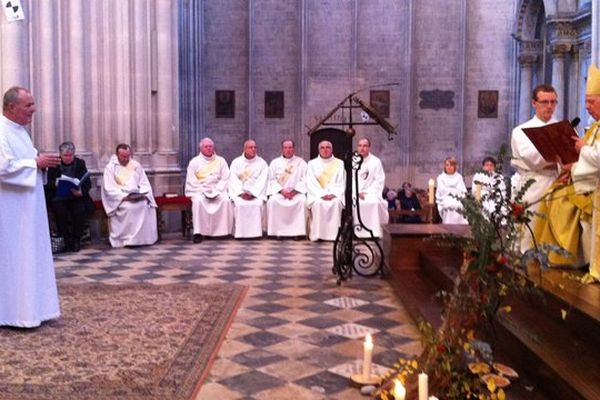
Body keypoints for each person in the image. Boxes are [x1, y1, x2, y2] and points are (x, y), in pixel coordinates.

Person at [0, 86, 61, 328]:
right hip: (10, 211)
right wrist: (35, 162)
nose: (34, 110)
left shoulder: (21, 132)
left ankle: (35, 309)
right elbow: (3, 168)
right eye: (28, 105)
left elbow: (25, 163)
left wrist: (41, 163)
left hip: (27, 209)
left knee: (29, 255)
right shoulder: (1, 131)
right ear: (11, 107)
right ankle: (13, 314)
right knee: (13, 258)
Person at [537, 64, 600, 277]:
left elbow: (596, 158)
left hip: (591, 185)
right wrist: (571, 167)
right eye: (586, 102)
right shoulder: (595, 127)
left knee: (562, 203)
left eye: (591, 102)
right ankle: (557, 256)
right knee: (552, 196)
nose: (588, 107)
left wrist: (580, 153)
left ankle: (575, 259)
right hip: (583, 179)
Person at [511, 84, 559, 252]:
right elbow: (532, 159)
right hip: (533, 185)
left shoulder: (563, 128)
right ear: (534, 103)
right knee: (529, 235)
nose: (549, 106)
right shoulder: (522, 131)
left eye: (553, 102)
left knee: (554, 235)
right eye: (544, 102)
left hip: (558, 183)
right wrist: (558, 156)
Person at [101, 143, 158, 247]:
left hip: (137, 197)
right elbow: (109, 188)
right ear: (117, 155)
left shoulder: (135, 165)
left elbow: (144, 183)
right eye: (123, 156)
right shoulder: (110, 168)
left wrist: (142, 194)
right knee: (129, 208)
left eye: (128, 156)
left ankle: (142, 239)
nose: (126, 159)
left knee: (144, 205)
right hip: (121, 200)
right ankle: (126, 240)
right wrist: (124, 197)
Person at [45, 141, 94, 252]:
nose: (68, 158)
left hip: (75, 196)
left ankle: (76, 240)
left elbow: (87, 182)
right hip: (59, 196)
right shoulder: (54, 164)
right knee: (60, 212)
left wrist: (81, 191)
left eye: (70, 155)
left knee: (79, 211)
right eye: (65, 156)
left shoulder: (80, 163)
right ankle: (66, 240)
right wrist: (56, 183)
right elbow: (47, 183)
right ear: (60, 155)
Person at [185, 138, 233, 242]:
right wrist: (203, 190)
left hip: (217, 190)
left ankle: (221, 232)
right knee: (198, 202)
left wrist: (217, 190)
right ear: (201, 148)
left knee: (226, 201)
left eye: (210, 146)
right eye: (206, 146)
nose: (208, 148)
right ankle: (198, 232)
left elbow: (225, 178)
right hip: (200, 190)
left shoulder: (221, 161)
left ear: (213, 147)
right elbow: (192, 180)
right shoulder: (194, 162)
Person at [266, 139, 308, 238]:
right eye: (285, 148)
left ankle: (297, 233)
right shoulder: (275, 163)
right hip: (280, 193)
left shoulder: (301, 162)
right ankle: (277, 232)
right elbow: (271, 180)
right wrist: (281, 191)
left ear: (294, 149)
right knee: (273, 201)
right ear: (282, 149)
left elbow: (305, 179)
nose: (288, 150)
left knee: (302, 201)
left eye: (290, 147)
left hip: (296, 193)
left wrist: (294, 191)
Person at [306, 140, 346, 241]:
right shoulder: (311, 164)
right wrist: (322, 194)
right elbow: (310, 183)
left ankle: (334, 236)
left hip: (334, 196)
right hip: (318, 196)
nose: (325, 150)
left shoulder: (339, 163)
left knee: (335, 203)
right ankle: (318, 235)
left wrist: (333, 194)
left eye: (327, 147)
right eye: (322, 148)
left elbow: (341, 182)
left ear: (332, 149)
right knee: (318, 203)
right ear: (319, 150)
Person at [229, 140, 268, 239]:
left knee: (257, 204)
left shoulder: (262, 163)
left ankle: (256, 234)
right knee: (239, 204)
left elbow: (262, 181)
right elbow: (233, 180)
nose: (253, 149)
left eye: (255, 147)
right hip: (240, 194)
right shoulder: (236, 162)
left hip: (256, 194)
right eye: (250, 147)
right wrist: (241, 194)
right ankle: (240, 234)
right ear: (245, 149)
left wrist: (253, 194)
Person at [353, 138, 388, 237]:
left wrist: (367, 193)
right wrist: (356, 192)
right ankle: (356, 233)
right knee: (354, 203)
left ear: (369, 147)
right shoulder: (353, 161)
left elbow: (379, 181)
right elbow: (349, 179)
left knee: (374, 203)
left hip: (371, 193)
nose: (362, 148)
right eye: (360, 146)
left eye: (365, 146)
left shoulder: (376, 162)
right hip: (355, 193)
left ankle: (373, 232)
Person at [435, 157, 468, 224]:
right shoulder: (441, 177)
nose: (449, 167)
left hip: (457, 198)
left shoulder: (459, 177)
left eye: (451, 165)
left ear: (454, 166)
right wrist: (453, 190)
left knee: (460, 205)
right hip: (445, 198)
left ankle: (460, 229)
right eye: (447, 165)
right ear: (445, 166)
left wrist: (451, 190)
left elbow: (462, 191)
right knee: (449, 205)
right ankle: (448, 228)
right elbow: (442, 190)